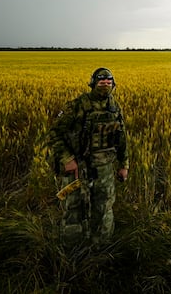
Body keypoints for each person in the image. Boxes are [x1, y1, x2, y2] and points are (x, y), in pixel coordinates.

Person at [48, 67, 129, 249]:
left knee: (104, 207)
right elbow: (54, 133)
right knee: (74, 209)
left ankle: (101, 248)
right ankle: (72, 250)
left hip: (105, 168)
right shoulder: (77, 105)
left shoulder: (114, 107)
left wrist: (124, 165)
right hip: (78, 167)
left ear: (113, 85)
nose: (105, 85)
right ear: (93, 83)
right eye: (101, 82)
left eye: (108, 82)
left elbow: (122, 138)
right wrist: (67, 159)